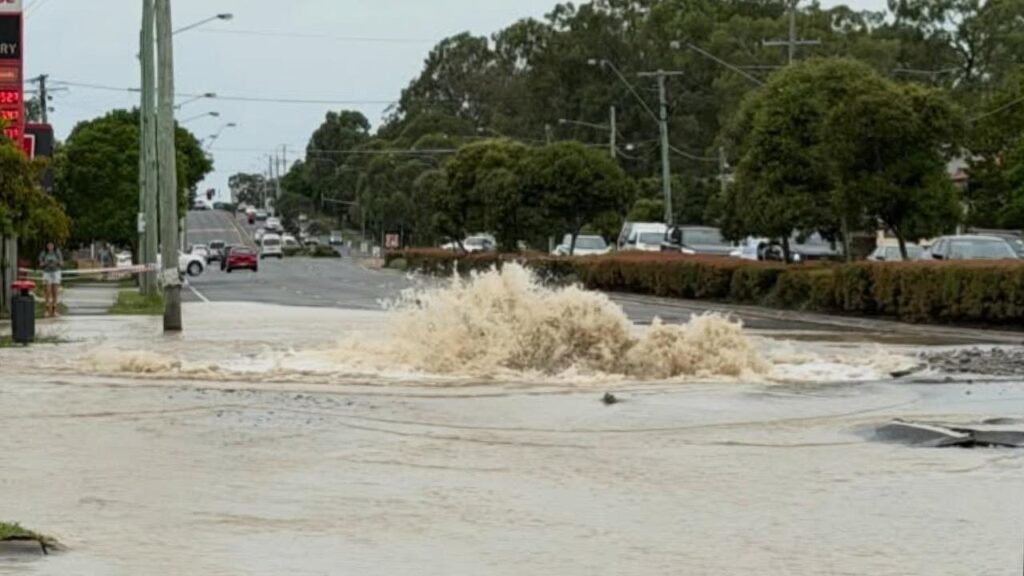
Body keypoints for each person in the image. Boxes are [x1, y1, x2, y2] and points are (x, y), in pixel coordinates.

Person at [38, 242, 63, 318]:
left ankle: (54, 311)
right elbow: (40, 264)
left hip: (56, 272)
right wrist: (45, 263)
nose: (50, 247)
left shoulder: (57, 252)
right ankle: (47, 310)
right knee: (47, 292)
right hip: (47, 273)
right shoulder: (43, 253)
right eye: (48, 245)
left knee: (55, 292)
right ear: (46, 246)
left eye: (51, 245)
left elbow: (62, 263)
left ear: (54, 245)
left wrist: (57, 262)